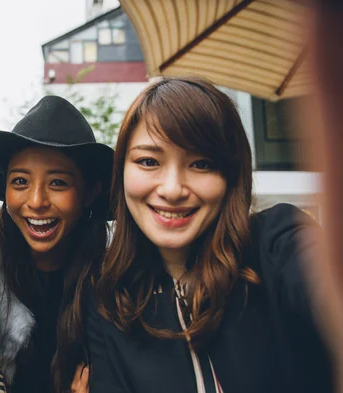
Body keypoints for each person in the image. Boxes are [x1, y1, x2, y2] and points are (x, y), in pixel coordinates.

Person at [85, 77, 332, 393]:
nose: (172, 189)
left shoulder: (277, 241)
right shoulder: (109, 299)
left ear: (231, 176)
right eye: (148, 161)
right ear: (121, 171)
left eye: (201, 164)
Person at [0, 95, 113, 393]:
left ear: (89, 193)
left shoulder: (117, 273)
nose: (36, 202)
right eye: (20, 181)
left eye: (58, 182)